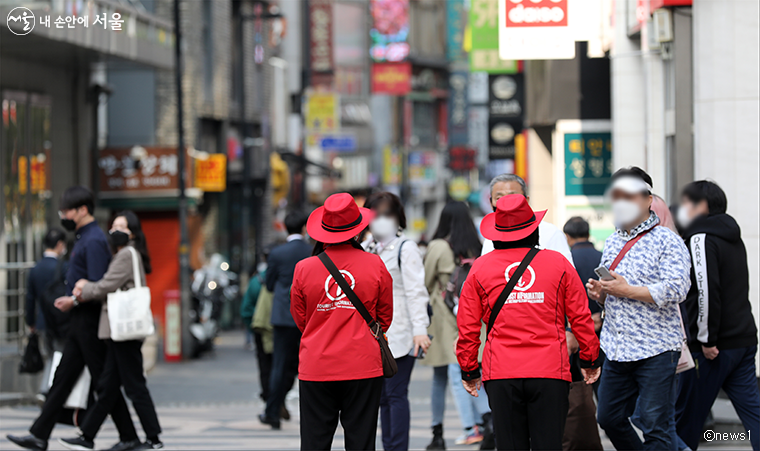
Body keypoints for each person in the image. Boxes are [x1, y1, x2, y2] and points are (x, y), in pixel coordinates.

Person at [457, 195, 601, 451]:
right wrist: (590, 360)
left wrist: (468, 369)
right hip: (549, 370)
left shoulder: (480, 269)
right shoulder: (559, 264)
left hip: (501, 372)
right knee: (549, 444)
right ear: (533, 230)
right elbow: (580, 316)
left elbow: (467, 325)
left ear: (497, 234)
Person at [7, 187, 138, 451]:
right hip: (79, 322)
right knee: (62, 380)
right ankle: (39, 434)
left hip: (89, 322)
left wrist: (74, 300)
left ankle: (129, 436)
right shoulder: (83, 238)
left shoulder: (93, 241)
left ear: (82, 210)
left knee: (103, 381)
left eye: (66, 210)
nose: (63, 215)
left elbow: (99, 284)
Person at [586, 167, 691, 451]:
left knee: (657, 426)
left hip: (656, 348)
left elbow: (677, 289)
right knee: (608, 417)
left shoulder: (667, 240)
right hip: (617, 347)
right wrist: (601, 294)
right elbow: (612, 294)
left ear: (647, 199)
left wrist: (625, 290)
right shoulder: (612, 240)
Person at [290, 193, 393, 450]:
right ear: (357, 231)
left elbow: (301, 318)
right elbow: (385, 316)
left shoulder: (304, 268)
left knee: (314, 442)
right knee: (361, 441)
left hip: (317, 365)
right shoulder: (375, 264)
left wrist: (322, 328)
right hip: (362, 364)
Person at [59, 211, 162, 451]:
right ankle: (88, 436)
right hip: (119, 332)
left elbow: (106, 285)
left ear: (132, 233)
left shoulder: (127, 255)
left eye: (121, 227)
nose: (115, 231)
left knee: (134, 386)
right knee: (107, 387)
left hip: (125, 332)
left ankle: (153, 438)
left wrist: (84, 288)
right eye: (113, 226)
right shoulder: (127, 254)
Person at [675, 180, 759, 451]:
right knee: (753, 414)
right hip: (744, 339)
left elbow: (707, 292)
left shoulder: (701, 238)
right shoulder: (733, 235)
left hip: (715, 347)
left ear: (702, 206)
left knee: (687, 420)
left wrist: (707, 340)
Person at [363, 192, 430, 451]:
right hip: (373, 334)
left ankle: (397, 447)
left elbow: (416, 291)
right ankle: (389, 445)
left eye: (387, 214)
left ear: (398, 218)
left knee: (395, 394)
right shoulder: (367, 247)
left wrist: (420, 330)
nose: (381, 220)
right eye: (375, 214)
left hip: (401, 332)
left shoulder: (406, 247)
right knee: (380, 397)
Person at [422, 201, 490, 450]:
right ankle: (479, 422)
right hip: (472, 318)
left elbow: (425, 282)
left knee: (450, 375)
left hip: (444, 323)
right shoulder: (478, 246)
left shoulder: (438, 246)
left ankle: (473, 425)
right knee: (458, 373)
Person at [259, 211, 311, 430]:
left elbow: (269, 285)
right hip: (308, 317)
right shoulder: (312, 251)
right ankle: (312, 413)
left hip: (282, 316)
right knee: (307, 366)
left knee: (279, 366)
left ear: (285, 228)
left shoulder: (277, 253)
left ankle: (272, 412)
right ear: (304, 228)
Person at [562, 217, 604, 450]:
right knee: (603, 391)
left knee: (579, 390)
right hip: (603, 332)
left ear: (567, 237)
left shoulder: (567, 260)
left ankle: (582, 431)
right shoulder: (603, 258)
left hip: (574, 335)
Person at [481, 174, 573, 264]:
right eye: (499, 198)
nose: (506, 202)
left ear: (527, 200)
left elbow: (566, 272)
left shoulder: (552, 233)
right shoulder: (490, 239)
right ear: (491, 202)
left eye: (513, 197)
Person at [25, 228, 70, 395]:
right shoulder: (63, 267)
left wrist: (30, 322)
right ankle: (49, 390)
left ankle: (47, 389)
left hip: (42, 321)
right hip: (60, 319)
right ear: (59, 245)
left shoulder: (35, 268)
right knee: (59, 354)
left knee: (51, 354)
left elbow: (30, 299)